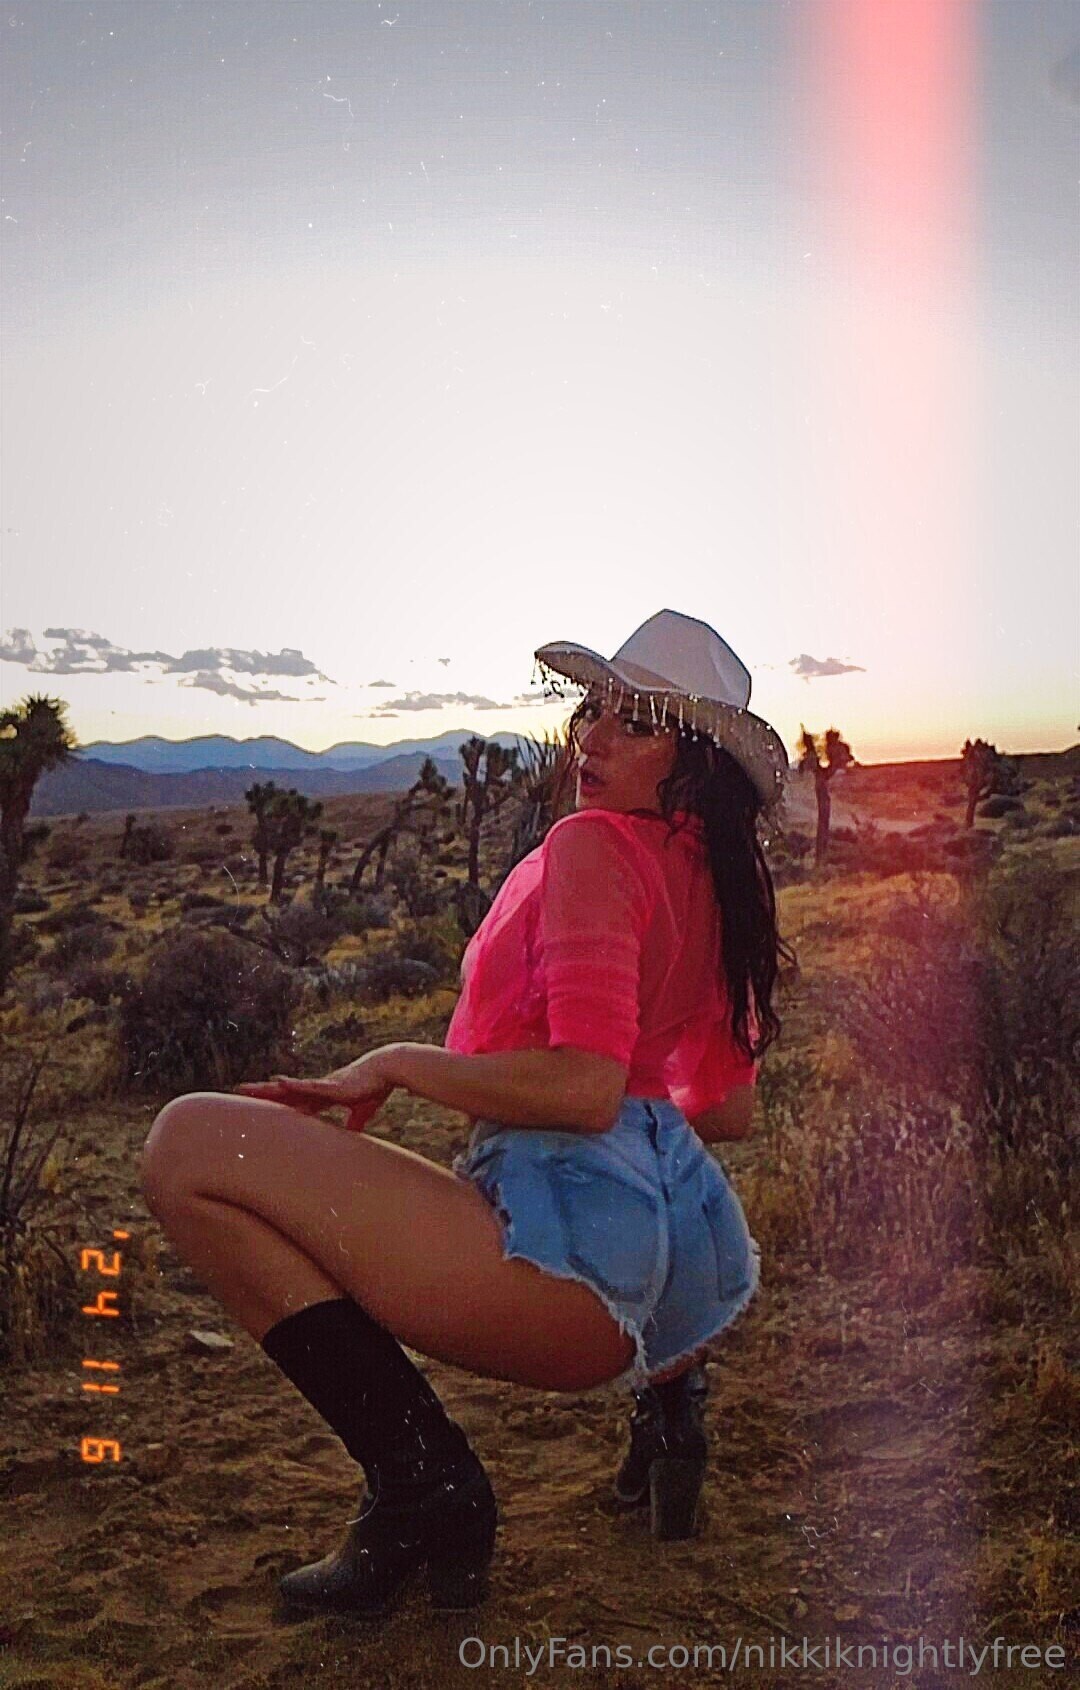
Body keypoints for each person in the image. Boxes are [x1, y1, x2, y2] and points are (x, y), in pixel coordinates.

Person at [138, 606, 793, 1620]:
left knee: (187, 1145)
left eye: (637, 723)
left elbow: (583, 1089)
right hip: (669, 1273)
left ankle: (423, 1488)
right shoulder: (720, 880)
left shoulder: (595, 848)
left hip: (573, 1280)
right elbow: (727, 1110)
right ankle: (665, 1421)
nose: (594, 738)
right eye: (593, 710)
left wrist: (398, 1062)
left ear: (697, 763)